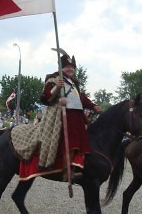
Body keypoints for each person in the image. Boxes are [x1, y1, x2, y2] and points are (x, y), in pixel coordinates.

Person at [40, 51, 102, 180]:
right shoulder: (54, 78)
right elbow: (46, 96)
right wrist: (57, 88)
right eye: (68, 67)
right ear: (61, 67)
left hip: (77, 116)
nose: (70, 69)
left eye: (72, 67)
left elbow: (81, 98)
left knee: (83, 142)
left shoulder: (74, 82)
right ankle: (65, 172)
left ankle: (78, 166)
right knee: (71, 143)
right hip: (62, 115)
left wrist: (92, 105)